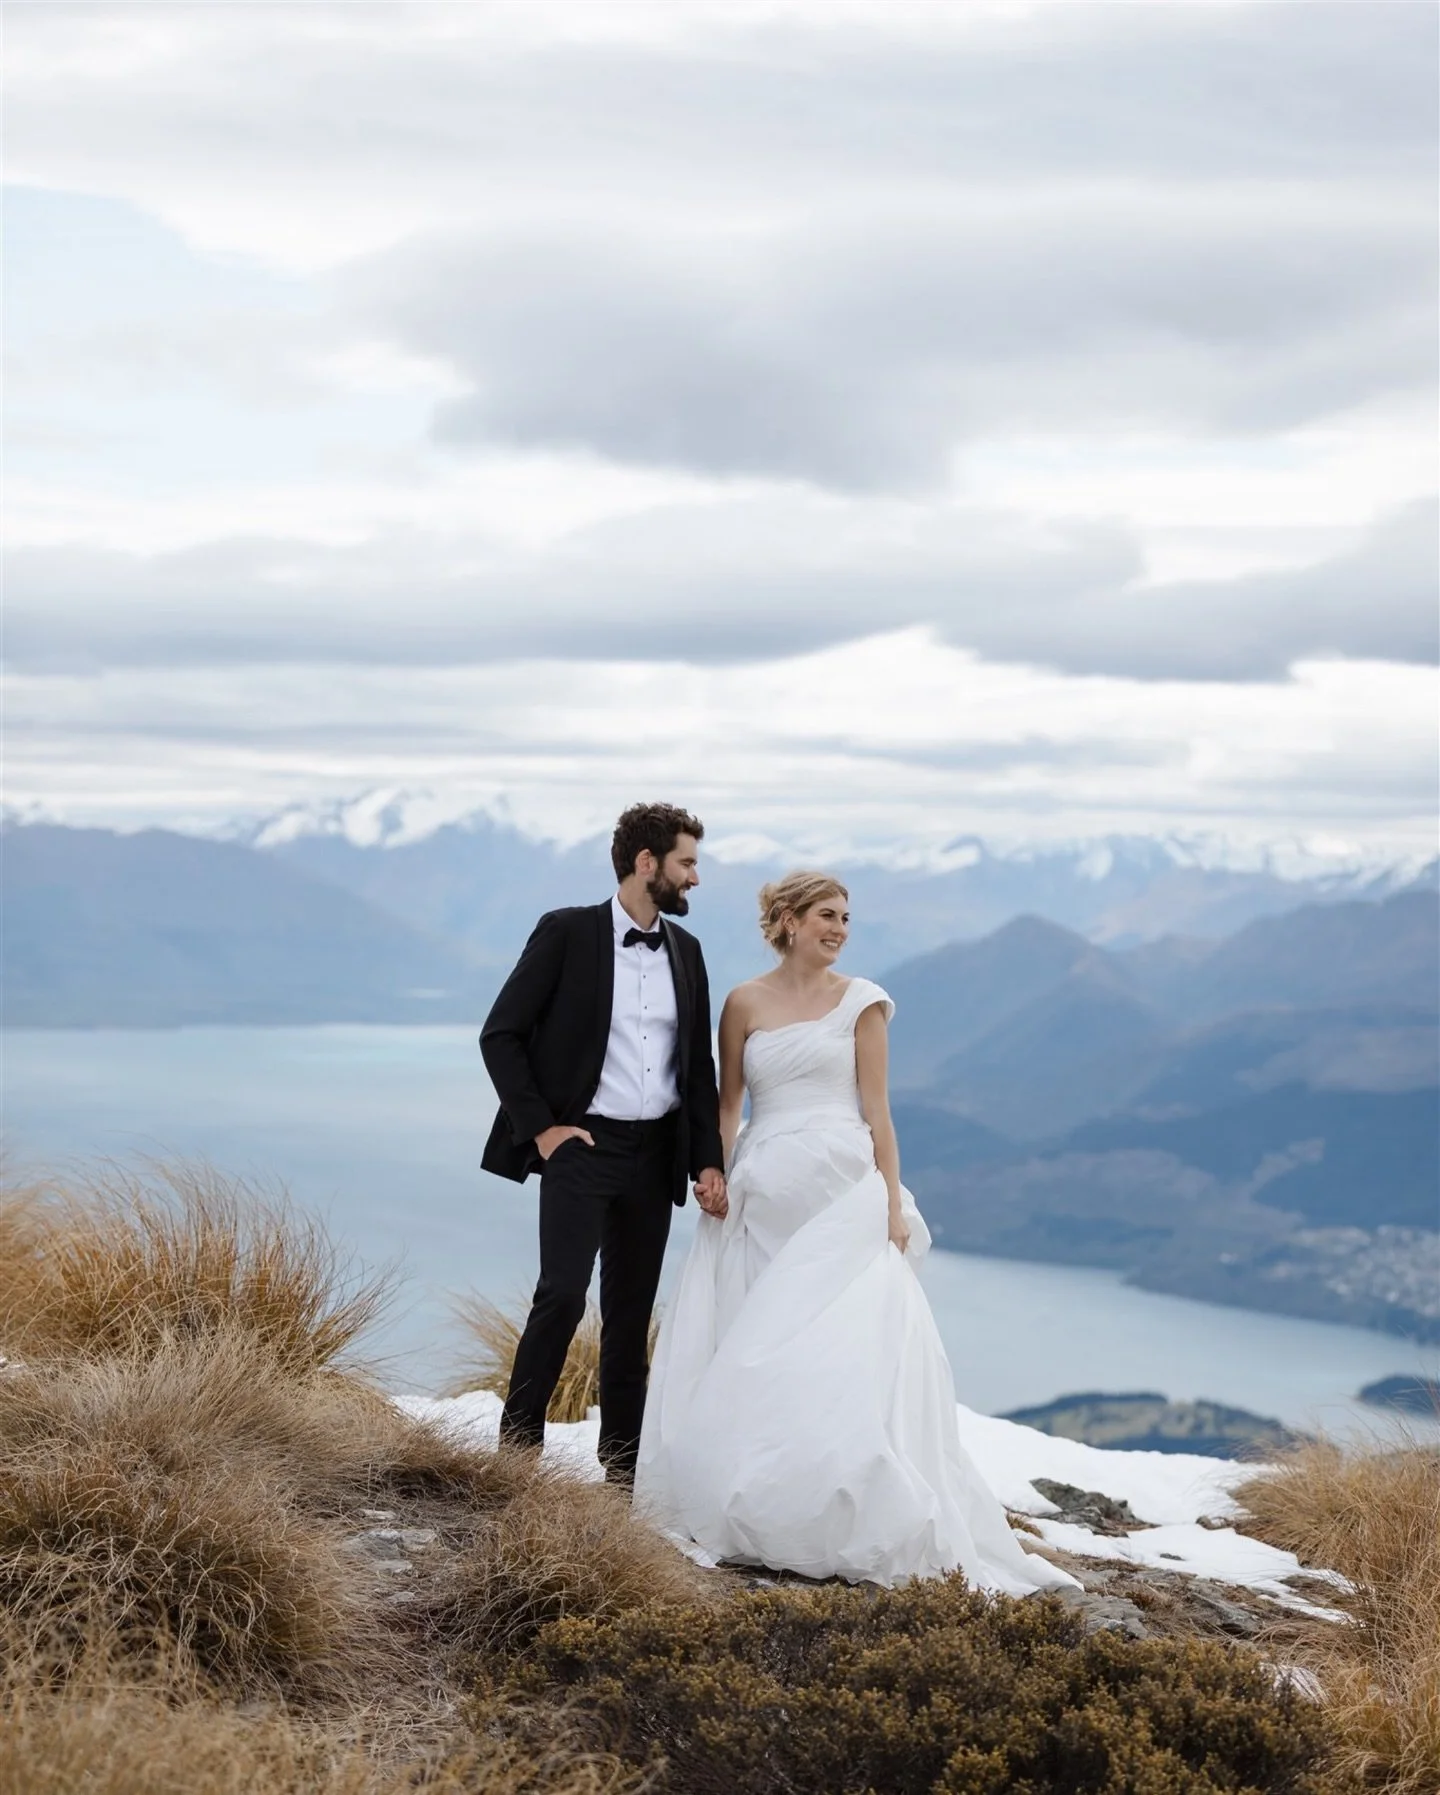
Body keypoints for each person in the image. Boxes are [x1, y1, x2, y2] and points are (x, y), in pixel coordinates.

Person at [635, 869, 1079, 1592]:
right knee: (750, 1342)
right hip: (758, 1192)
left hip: (840, 1194)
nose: (839, 928)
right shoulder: (743, 1001)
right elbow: (727, 1103)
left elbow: (879, 1112)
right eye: (825, 915)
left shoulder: (864, 1002)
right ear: (785, 919)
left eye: (846, 917)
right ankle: (752, 1491)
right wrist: (711, 1170)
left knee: (834, 1352)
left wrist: (891, 1206)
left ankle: (831, 1505)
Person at [480, 801, 727, 1484]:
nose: (695, 878)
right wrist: (544, 1129)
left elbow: (697, 1067)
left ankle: (623, 1479)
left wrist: (708, 1157)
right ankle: (514, 1464)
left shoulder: (689, 952)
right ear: (647, 864)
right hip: (583, 1149)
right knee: (560, 1296)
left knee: (629, 1320)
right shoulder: (567, 933)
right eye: (687, 863)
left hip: (655, 1158)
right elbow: (500, 1034)